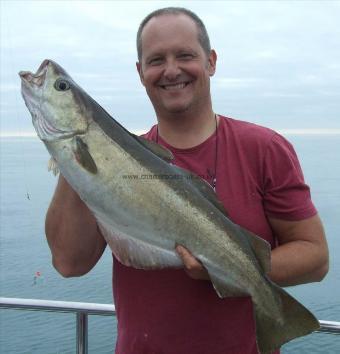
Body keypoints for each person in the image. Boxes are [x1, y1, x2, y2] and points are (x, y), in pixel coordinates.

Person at [45, 7, 329, 354]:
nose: (171, 70)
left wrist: (226, 266)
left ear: (210, 61)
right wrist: (78, 154)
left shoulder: (264, 149)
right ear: (141, 72)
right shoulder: (115, 161)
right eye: (156, 60)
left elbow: (315, 258)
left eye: (185, 55)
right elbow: (68, 263)